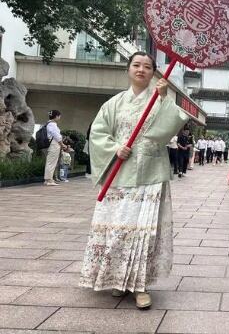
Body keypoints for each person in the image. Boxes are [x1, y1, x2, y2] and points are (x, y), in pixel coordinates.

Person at [79, 51, 188, 309]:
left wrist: (164, 98)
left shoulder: (160, 98)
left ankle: (140, 285)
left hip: (150, 173)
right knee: (117, 228)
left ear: (153, 72)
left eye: (147, 66)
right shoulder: (113, 104)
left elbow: (171, 127)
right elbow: (98, 133)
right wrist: (115, 148)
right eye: (136, 65)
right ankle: (119, 278)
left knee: (144, 232)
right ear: (128, 69)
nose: (141, 70)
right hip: (120, 171)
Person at [43, 110, 66, 186]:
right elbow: (56, 136)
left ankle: (49, 179)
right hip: (54, 144)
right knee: (51, 162)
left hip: (52, 144)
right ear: (56, 116)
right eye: (59, 116)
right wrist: (62, 144)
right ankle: (49, 180)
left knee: (51, 162)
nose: (59, 117)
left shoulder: (49, 124)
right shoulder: (52, 124)